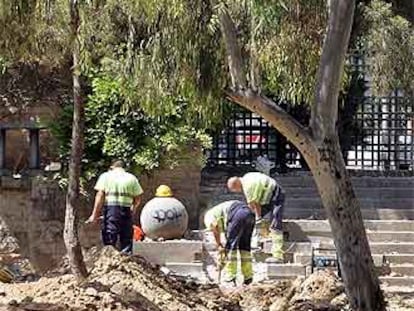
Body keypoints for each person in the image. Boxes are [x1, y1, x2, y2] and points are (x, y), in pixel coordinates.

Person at [86, 160, 143, 253]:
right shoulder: (132, 178)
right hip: (126, 210)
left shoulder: (105, 176)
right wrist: (133, 210)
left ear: (112, 167)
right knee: (126, 239)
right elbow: (138, 198)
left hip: (111, 210)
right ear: (124, 168)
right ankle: (126, 261)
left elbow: (100, 196)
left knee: (110, 238)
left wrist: (94, 215)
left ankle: (109, 260)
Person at [227, 172, 285, 263]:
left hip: (276, 194)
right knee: (256, 219)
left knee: (275, 223)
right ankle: (263, 235)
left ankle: (278, 255)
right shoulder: (247, 176)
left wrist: (257, 219)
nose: (238, 191)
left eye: (236, 190)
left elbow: (254, 204)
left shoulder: (247, 187)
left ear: (237, 185)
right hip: (268, 194)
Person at [204, 200, 255, 286]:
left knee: (231, 248)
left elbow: (215, 225)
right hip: (250, 214)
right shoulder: (219, 212)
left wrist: (219, 244)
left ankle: (230, 278)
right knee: (245, 247)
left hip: (237, 214)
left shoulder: (208, 217)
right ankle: (248, 277)